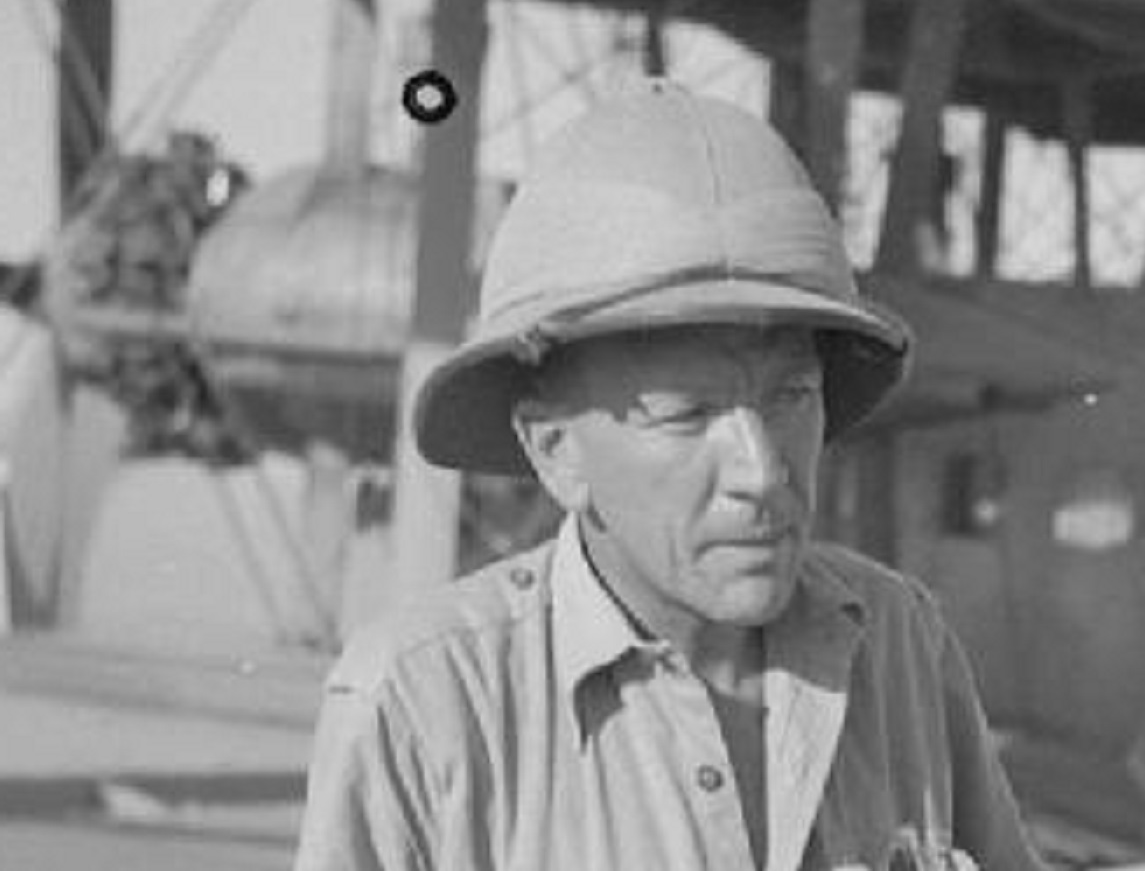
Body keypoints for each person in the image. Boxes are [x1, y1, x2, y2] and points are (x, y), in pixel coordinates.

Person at [294, 79, 1046, 871]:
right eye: (686, 414)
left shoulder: (900, 642)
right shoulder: (427, 701)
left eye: (791, 395)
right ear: (556, 451)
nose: (760, 473)